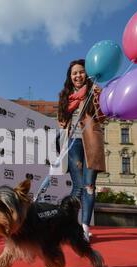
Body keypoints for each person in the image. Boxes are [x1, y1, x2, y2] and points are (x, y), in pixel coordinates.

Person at [57, 59, 106, 241]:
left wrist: (98, 97)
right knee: (78, 186)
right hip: (73, 142)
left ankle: (85, 228)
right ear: (70, 77)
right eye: (74, 73)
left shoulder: (95, 92)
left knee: (89, 186)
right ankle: (66, 224)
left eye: (81, 72)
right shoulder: (65, 96)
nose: (78, 75)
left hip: (92, 141)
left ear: (87, 74)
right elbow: (61, 121)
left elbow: (102, 117)